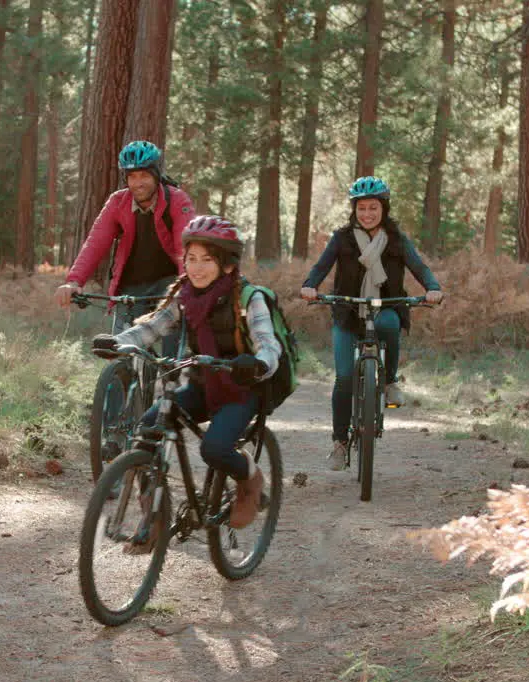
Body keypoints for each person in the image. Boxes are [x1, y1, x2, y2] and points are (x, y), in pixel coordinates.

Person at [92, 216, 282, 547]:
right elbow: (151, 327)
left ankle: (250, 476)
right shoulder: (184, 296)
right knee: (148, 429)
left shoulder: (248, 298)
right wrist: (119, 342)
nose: (197, 267)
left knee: (215, 449)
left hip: (240, 391)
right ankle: (152, 518)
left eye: (207, 259)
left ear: (225, 265)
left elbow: (269, 345)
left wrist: (257, 363)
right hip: (201, 386)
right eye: (191, 258)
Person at [300, 176, 445, 472]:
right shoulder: (342, 238)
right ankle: (340, 443)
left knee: (390, 325)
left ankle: (389, 380)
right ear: (354, 209)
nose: (367, 213)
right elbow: (320, 267)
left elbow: (419, 267)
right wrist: (310, 286)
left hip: (385, 307)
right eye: (362, 208)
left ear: (384, 208)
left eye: (373, 208)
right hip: (347, 310)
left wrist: (432, 288)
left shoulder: (396, 240)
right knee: (343, 378)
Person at [56, 140, 197, 348]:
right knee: (120, 352)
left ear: (156, 174)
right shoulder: (117, 202)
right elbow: (95, 242)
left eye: (144, 175)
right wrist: (74, 281)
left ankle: (170, 379)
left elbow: (185, 245)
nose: (138, 183)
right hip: (130, 287)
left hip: (168, 285)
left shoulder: (177, 200)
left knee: (171, 357)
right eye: (132, 176)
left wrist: (188, 283)